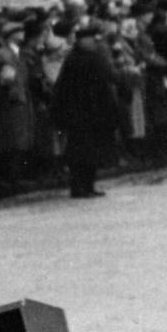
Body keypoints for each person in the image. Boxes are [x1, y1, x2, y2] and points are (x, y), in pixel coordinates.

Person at [54, 23, 123, 200]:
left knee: (88, 151)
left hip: (88, 113)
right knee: (82, 152)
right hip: (85, 113)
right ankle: (81, 186)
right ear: (83, 40)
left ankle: (87, 185)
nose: (95, 42)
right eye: (92, 39)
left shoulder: (81, 57)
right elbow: (109, 76)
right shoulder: (83, 58)